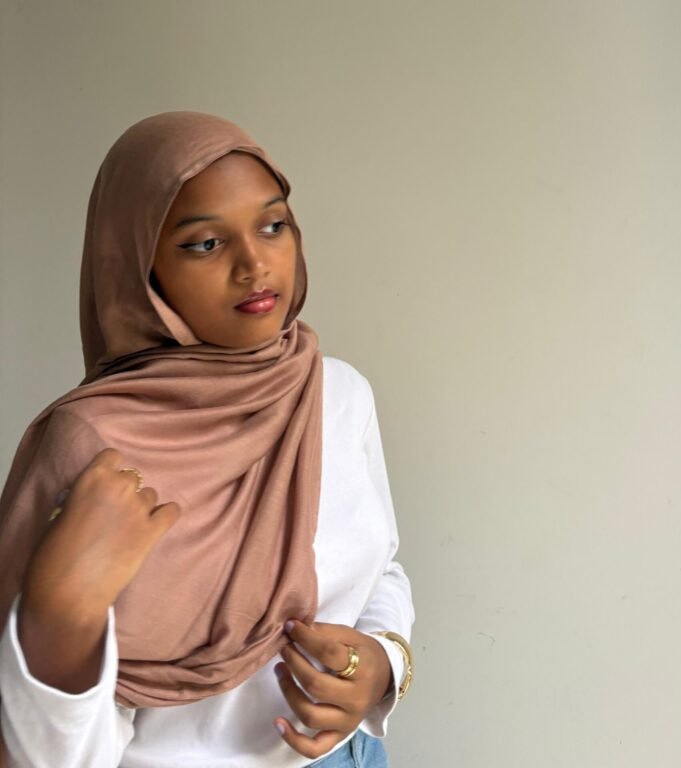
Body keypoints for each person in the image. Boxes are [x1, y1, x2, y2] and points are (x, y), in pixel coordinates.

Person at [0, 111, 414, 768]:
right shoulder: (92, 444)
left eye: (273, 225)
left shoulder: (336, 392)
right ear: (139, 268)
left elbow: (381, 566)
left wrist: (382, 666)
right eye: (204, 243)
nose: (255, 263)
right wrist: (60, 618)